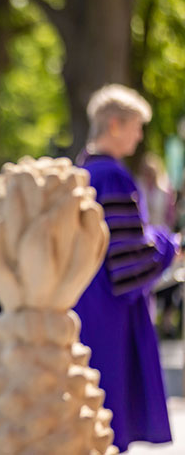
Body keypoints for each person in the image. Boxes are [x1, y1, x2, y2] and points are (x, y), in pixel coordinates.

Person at [74, 84, 180, 453]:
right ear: (115, 125)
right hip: (112, 313)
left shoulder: (81, 169)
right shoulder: (113, 176)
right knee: (110, 415)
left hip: (83, 303)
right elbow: (128, 262)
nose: (139, 136)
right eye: (136, 126)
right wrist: (169, 246)